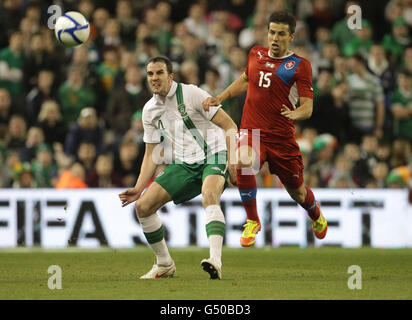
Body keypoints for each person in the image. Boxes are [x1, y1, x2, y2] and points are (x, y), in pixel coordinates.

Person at [203, 11, 328, 247]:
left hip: (282, 139)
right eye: (272, 32)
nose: (275, 38)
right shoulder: (255, 54)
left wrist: (296, 113)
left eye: (281, 34)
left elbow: (308, 107)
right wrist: (221, 96)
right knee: (241, 160)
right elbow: (244, 79)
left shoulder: (300, 66)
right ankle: (252, 220)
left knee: (298, 193)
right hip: (253, 132)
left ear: (291, 36)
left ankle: (315, 214)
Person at [119, 56, 237, 280]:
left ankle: (215, 261)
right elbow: (151, 153)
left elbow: (229, 125)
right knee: (143, 207)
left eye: (159, 73)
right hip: (184, 163)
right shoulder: (149, 110)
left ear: (170, 76)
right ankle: (164, 264)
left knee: (209, 194)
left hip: (214, 154)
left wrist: (232, 161)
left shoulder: (192, 93)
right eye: (150, 74)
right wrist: (138, 187)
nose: (154, 78)